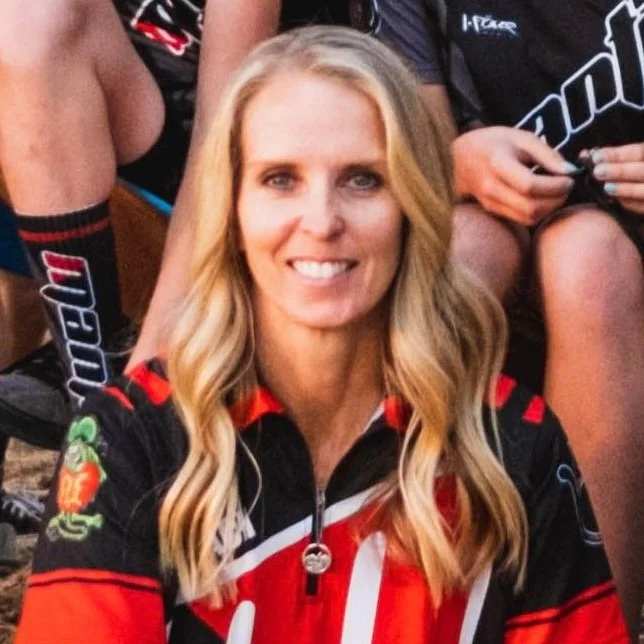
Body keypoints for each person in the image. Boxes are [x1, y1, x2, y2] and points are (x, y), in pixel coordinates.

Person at [15, 27, 627, 643]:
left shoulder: (515, 445)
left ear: (412, 206)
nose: (322, 221)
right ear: (231, 211)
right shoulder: (129, 441)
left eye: (363, 179)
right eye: (280, 179)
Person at [374, 0, 644, 636]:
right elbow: (406, 156)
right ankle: (397, 612)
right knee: (459, 260)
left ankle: (597, 623)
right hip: (491, 221)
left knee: (587, 264)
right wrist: (458, 163)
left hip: (611, 253)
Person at [0, 0, 372, 432]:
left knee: (30, 18)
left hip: (227, 192)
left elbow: (220, 135)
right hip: (96, 170)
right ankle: (90, 385)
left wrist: (150, 354)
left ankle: (104, 408)